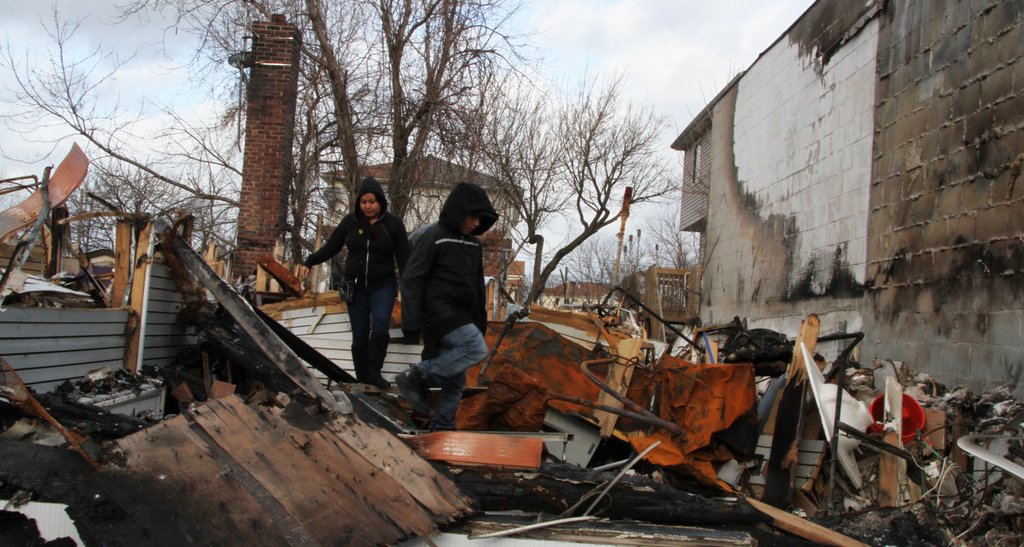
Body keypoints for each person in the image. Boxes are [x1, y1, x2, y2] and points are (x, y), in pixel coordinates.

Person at [396, 182, 498, 431]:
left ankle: (442, 427)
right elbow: (412, 279)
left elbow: (477, 287)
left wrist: (480, 323)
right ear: (458, 211)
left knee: (456, 381)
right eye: (472, 216)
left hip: (461, 315)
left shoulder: (473, 244)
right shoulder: (434, 236)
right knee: (475, 348)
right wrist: (411, 323)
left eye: (480, 218)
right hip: (437, 311)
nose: (476, 223)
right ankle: (416, 376)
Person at [299, 176, 409, 389]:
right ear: (358, 202)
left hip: (383, 285)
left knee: (380, 326)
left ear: (380, 202)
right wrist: (310, 261)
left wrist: (408, 284)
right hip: (355, 286)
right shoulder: (350, 222)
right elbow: (332, 246)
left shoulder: (393, 224)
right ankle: (362, 378)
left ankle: (374, 373)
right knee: (359, 333)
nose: (368, 206)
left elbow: (404, 256)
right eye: (363, 202)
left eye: (372, 202)